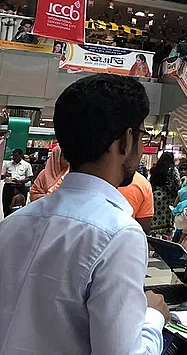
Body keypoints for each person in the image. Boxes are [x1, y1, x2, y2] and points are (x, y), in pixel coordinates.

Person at [0, 74, 169, 353]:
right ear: (126, 140)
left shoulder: (14, 223)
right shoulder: (119, 235)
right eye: (141, 135)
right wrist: (153, 317)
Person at [149, 151, 180, 238]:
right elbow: (178, 184)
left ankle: (155, 237)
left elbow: (151, 182)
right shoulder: (173, 169)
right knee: (167, 219)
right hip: (168, 198)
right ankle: (166, 238)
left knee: (156, 216)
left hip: (155, 196)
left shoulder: (155, 169)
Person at [1, 149, 33, 216]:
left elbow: (30, 177)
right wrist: (5, 175)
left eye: (16, 156)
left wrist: (20, 181)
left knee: (19, 208)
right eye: (13, 156)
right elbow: (2, 176)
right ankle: (6, 221)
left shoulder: (26, 165)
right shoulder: (8, 164)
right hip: (8, 187)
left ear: (21, 156)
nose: (14, 158)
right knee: (6, 206)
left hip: (20, 188)